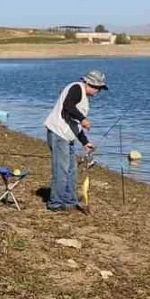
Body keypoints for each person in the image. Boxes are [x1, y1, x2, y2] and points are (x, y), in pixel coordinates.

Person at [43, 70, 107, 211]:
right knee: (62, 170)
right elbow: (67, 106)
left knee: (72, 170)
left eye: (100, 89)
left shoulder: (83, 96)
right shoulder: (76, 88)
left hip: (68, 137)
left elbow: (74, 123)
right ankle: (56, 203)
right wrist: (83, 118)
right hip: (58, 134)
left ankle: (69, 200)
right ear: (90, 83)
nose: (98, 92)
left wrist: (85, 142)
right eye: (98, 88)